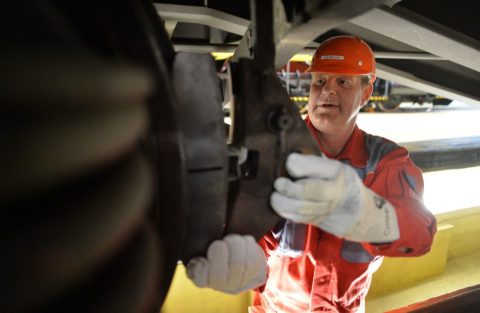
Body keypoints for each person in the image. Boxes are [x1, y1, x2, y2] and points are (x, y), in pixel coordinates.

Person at [186, 35, 437, 313]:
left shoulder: (386, 162)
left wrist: (370, 215)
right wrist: (246, 258)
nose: (327, 91)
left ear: (366, 92)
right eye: (320, 81)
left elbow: (420, 232)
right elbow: (252, 221)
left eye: (343, 82)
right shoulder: (275, 153)